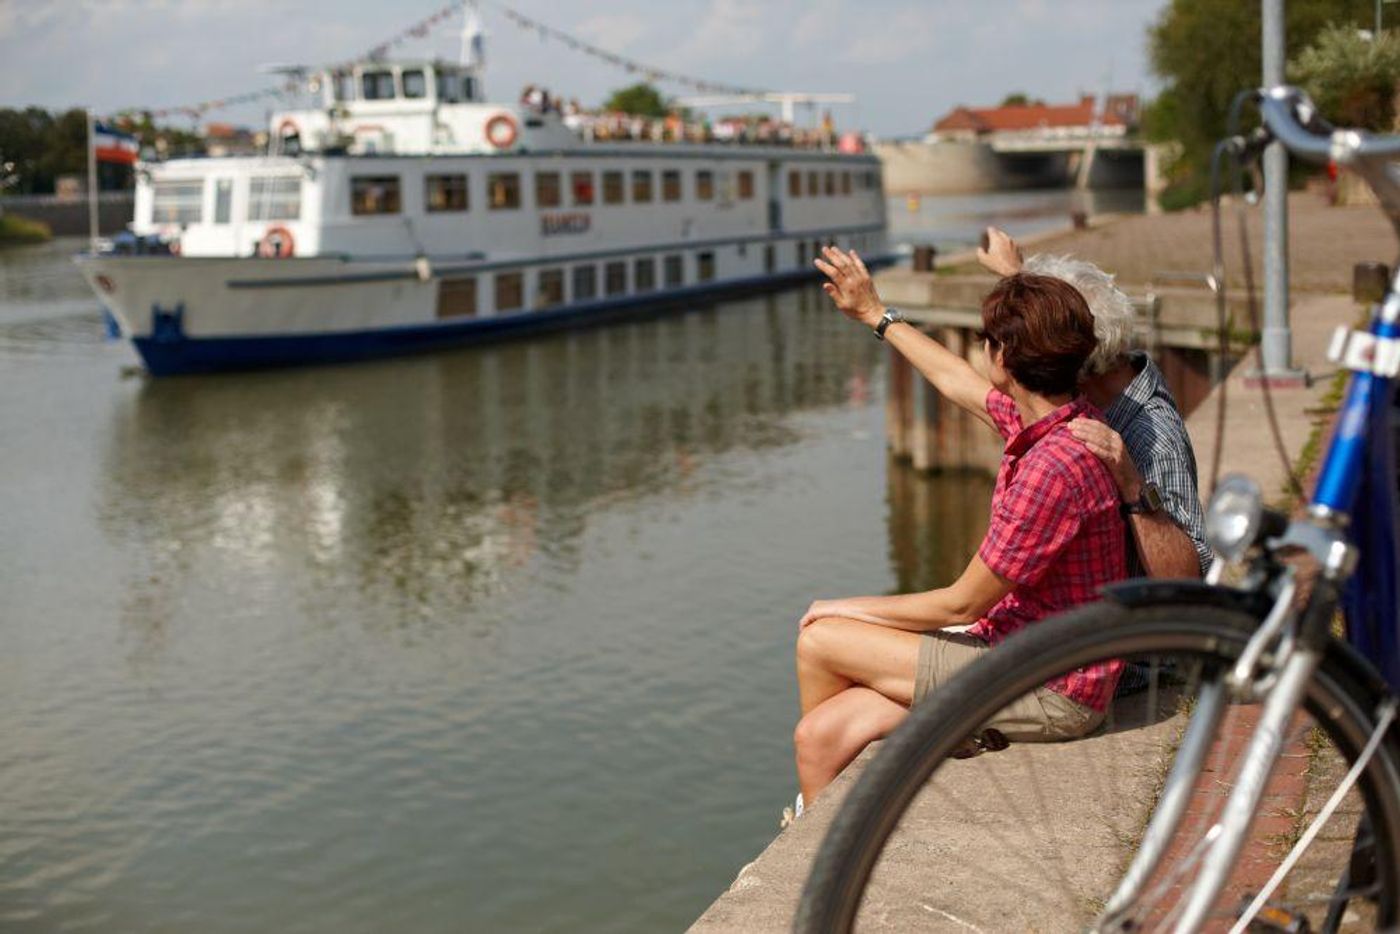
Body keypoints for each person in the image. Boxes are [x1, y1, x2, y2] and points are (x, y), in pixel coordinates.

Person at [791, 250, 1128, 811]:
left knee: (821, 640)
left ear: (1003, 357)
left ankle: (830, 856)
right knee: (820, 736)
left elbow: (959, 604)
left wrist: (843, 606)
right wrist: (875, 313)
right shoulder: (1053, 420)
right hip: (1018, 650)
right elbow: (955, 381)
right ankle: (816, 841)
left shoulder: (1054, 466)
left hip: (1053, 690)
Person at [978, 228, 1209, 579]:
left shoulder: (1152, 439)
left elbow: (1189, 577)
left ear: (1071, 357)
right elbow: (1054, 324)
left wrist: (1133, 486)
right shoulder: (1109, 381)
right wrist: (1016, 274)